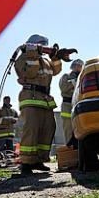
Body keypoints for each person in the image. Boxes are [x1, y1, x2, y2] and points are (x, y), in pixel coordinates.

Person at [14, 34, 62, 175]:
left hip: (45, 99)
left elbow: (56, 70)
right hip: (30, 97)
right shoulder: (23, 59)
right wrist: (32, 55)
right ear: (33, 45)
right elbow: (31, 73)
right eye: (41, 45)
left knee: (48, 128)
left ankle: (38, 160)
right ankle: (26, 163)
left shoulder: (46, 61)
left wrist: (55, 56)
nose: (44, 48)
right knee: (32, 129)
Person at [59, 59, 84, 144]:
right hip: (67, 105)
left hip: (78, 104)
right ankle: (70, 148)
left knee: (81, 127)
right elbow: (64, 88)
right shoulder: (66, 76)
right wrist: (74, 82)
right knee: (68, 128)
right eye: (77, 65)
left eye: (80, 66)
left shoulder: (83, 77)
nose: (78, 67)